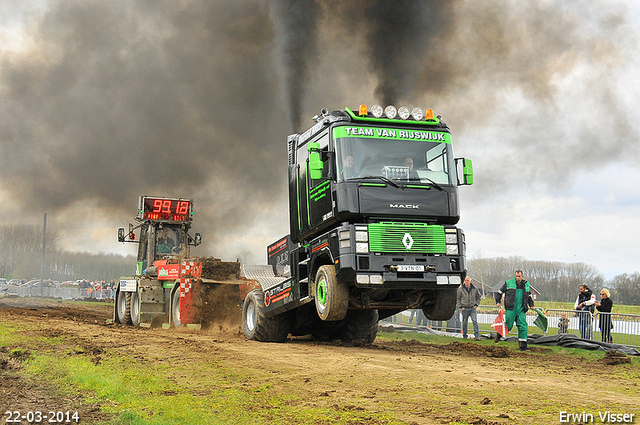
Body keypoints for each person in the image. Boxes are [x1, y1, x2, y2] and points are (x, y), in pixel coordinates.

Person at [494, 270, 534, 351]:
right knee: (508, 325)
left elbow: (529, 296)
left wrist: (531, 305)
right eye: (516, 276)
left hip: (521, 309)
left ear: (522, 277)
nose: (517, 278)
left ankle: (523, 347)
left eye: (519, 276)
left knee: (523, 326)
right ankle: (499, 335)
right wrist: (498, 302)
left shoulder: (526, 284)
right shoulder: (508, 283)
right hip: (511, 308)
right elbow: (498, 293)